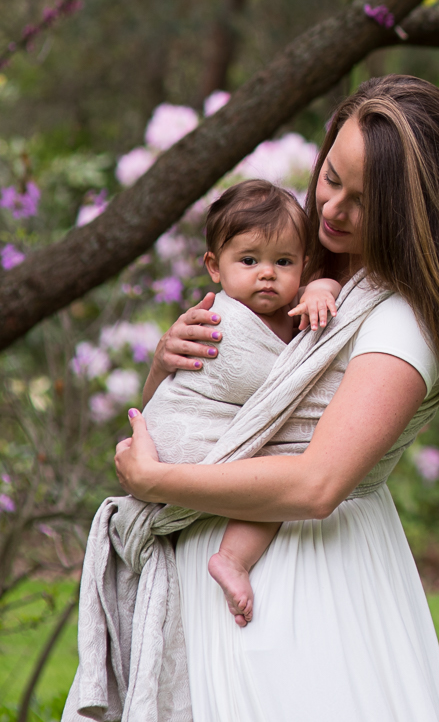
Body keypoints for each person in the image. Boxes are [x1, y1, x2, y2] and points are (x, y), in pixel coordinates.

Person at [113, 75, 439, 722]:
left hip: (304, 581)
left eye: (364, 200)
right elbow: (213, 404)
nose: (333, 209)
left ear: (418, 211)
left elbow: (318, 484)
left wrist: (159, 479)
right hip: (230, 557)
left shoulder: (402, 321)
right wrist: (167, 362)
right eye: (331, 178)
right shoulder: (310, 269)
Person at [132, 180, 340, 629]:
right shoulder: (216, 323)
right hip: (185, 443)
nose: (267, 273)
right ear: (214, 266)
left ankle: (231, 559)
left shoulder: (299, 307)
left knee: (279, 474)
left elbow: (320, 294)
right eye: (249, 260)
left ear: (302, 266)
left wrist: (322, 289)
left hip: (187, 462)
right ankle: (232, 559)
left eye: (283, 262)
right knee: (283, 467)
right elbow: (184, 388)